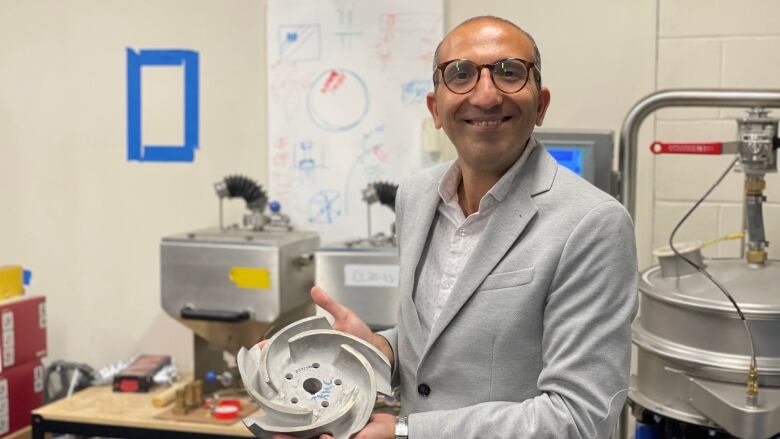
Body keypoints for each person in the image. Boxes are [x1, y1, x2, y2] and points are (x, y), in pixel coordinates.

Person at [271, 15, 638, 439]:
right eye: (460, 75)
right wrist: (379, 350)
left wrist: (407, 433)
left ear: (540, 105)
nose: (485, 95)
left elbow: (580, 418)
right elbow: (445, 341)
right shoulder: (416, 195)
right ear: (436, 109)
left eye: (509, 72)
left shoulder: (593, 224)